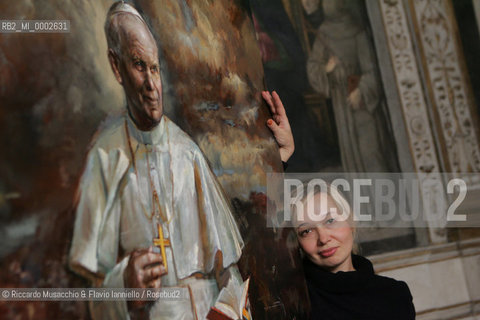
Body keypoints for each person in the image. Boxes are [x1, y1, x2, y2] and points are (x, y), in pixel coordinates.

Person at [69, 2, 294, 319]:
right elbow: (87, 299)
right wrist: (123, 285)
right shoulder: (103, 159)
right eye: (138, 65)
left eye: (154, 67)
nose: (151, 84)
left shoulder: (187, 153)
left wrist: (227, 310)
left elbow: (229, 275)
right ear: (116, 67)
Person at [292, 184, 416, 320]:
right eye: (307, 231)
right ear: (297, 242)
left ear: (350, 221)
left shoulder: (396, 293)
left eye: (330, 220)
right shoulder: (293, 300)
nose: (323, 238)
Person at [306, 0, 397, 172]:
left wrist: (361, 90)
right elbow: (313, 68)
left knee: (372, 153)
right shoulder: (324, 33)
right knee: (354, 160)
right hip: (341, 104)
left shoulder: (358, 32)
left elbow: (373, 70)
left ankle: (388, 197)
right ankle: (366, 199)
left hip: (362, 103)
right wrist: (326, 69)